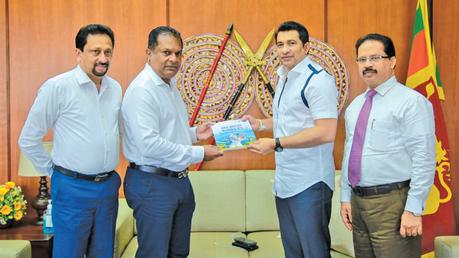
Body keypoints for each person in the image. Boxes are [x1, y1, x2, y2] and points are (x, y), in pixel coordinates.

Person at [18, 24, 122, 258]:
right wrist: (54, 172)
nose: (103, 58)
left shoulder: (115, 88)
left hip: (108, 187)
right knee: (69, 253)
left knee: (104, 253)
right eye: (96, 51)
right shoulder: (57, 87)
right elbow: (28, 139)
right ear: (78, 53)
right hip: (72, 188)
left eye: (108, 52)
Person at [121, 26, 223, 258]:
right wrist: (199, 153)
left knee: (178, 253)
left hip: (178, 182)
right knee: (154, 254)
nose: (173, 59)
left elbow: (169, 133)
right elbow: (150, 144)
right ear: (149, 53)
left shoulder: (169, 84)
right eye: (166, 52)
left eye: (178, 53)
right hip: (152, 182)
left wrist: (197, 133)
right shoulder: (142, 90)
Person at [244, 21, 338, 258]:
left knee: (314, 252)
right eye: (280, 44)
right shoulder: (284, 77)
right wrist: (261, 125)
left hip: (310, 182)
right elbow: (290, 122)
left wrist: (275, 143)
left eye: (291, 43)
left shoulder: (318, 80)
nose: (284, 49)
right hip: (285, 182)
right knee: (293, 252)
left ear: (306, 47)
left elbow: (325, 131)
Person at [340, 33, 436, 258]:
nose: (367, 65)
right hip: (358, 202)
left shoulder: (411, 102)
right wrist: (346, 196)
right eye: (362, 60)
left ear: (392, 61)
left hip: (393, 203)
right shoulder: (355, 106)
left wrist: (413, 208)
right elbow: (349, 153)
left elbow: (424, 157)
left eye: (375, 58)